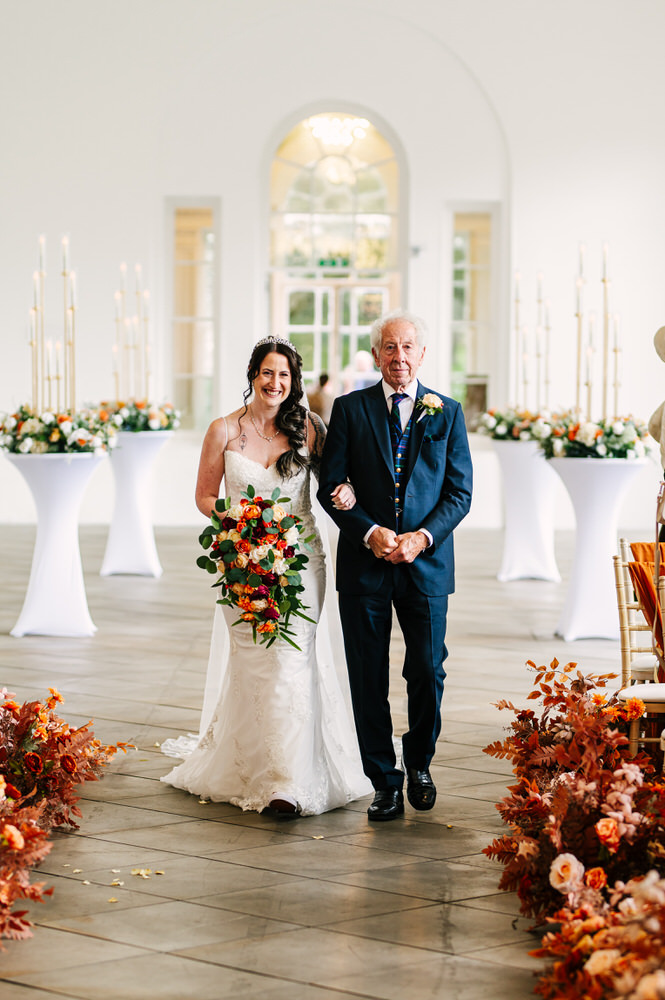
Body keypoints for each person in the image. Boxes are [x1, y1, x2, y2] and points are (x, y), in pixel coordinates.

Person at [162, 337, 371, 815]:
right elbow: (204, 498)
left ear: (294, 382)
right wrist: (247, 525)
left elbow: (337, 479)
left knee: (292, 661)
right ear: (253, 375)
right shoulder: (222, 431)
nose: (276, 383)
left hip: (302, 561)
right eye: (267, 373)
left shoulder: (308, 430)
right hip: (243, 560)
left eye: (285, 376)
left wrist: (346, 493)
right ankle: (251, 765)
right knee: (255, 662)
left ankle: (288, 782)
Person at [317, 309, 473, 822]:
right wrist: (369, 530)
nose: (399, 356)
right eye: (389, 347)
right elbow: (331, 485)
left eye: (408, 347)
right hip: (365, 565)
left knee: (427, 670)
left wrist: (421, 538)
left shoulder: (446, 413)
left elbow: (459, 493)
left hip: (425, 566)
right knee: (367, 674)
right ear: (377, 353)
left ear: (422, 354)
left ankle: (420, 762)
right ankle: (383, 779)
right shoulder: (349, 409)